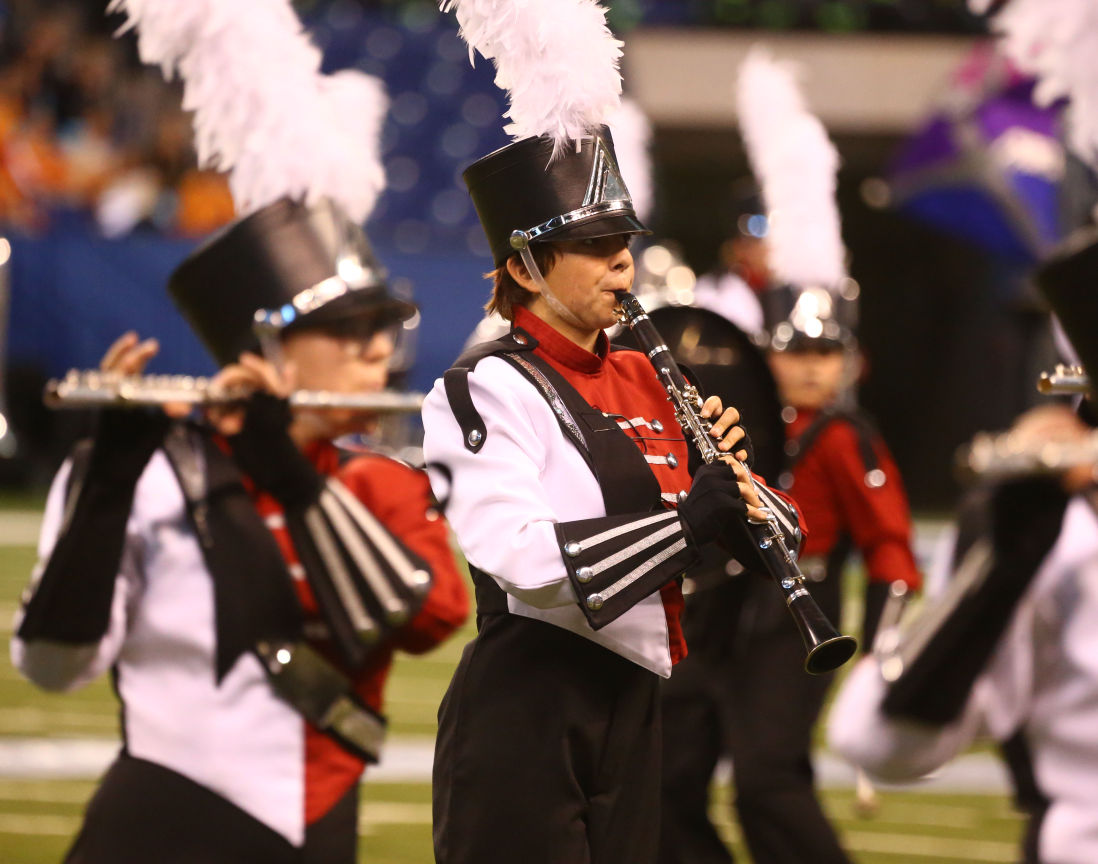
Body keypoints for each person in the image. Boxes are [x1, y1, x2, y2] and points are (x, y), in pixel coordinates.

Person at [10, 198, 469, 864]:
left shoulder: (383, 483)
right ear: (269, 347)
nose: (378, 348)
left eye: (381, 325)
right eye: (346, 327)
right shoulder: (148, 471)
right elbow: (53, 667)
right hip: (157, 823)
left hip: (317, 829)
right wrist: (106, 485)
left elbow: (430, 616)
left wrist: (290, 474)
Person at [421, 124, 804, 864]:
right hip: (526, 706)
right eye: (594, 246)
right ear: (528, 267)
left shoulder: (652, 374)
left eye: (622, 239)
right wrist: (690, 521)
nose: (621, 259)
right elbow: (522, 561)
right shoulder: (485, 387)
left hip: (637, 707)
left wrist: (740, 496)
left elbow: (785, 541)